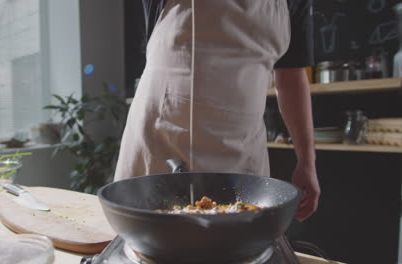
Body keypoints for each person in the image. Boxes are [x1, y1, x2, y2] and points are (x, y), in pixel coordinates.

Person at [114, 0, 320, 221]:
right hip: (166, 135)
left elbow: (291, 78)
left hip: (243, 147)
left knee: (239, 245)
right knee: (149, 242)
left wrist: (307, 160)